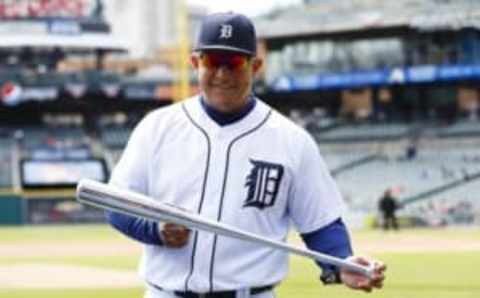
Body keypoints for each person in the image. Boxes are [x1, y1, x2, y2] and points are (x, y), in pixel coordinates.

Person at [106, 12, 386, 298]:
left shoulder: (292, 140)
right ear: (195, 63)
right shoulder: (157, 128)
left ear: (256, 67)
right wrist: (154, 229)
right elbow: (116, 204)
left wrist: (341, 263)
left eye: (235, 62)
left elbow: (321, 223)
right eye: (213, 61)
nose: (222, 74)